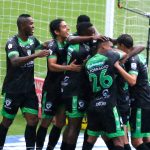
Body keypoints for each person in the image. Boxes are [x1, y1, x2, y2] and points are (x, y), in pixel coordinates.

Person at [0, 14, 50, 150]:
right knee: (7, 121)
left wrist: (57, 40)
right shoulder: (12, 42)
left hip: (29, 90)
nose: (33, 26)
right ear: (22, 26)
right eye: (31, 24)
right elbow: (15, 61)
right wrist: (35, 55)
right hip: (14, 89)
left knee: (33, 120)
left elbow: (43, 45)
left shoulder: (32, 40)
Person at [36, 18, 83, 150]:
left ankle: (50, 147)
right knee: (46, 121)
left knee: (60, 122)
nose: (67, 29)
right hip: (52, 89)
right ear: (56, 31)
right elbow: (51, 66)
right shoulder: (53, 46)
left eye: (67, 26)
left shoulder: (69, 43)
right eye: (64, 27)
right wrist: (69, 68)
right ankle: (38, 148)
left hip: (64, 89)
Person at [82, 39, 126, 150]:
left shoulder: (88, 62)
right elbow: (125, 53)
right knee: (119, 140)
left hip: (94, 105)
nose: (112, 48)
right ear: (103, 47)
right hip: (109, 105)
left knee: (90, 139)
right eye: (110, 46)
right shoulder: (110, 57)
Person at [60, 22, 97, 150]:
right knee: (74, 126)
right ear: (85, 33)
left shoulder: (83, 42)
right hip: (74, 89)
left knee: (72, 125)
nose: (94, 34)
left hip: (76, 89)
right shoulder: (77, 47)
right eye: (91, 32)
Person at [114, 34, 150, 150]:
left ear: (122, 46)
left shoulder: (132, 59)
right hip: (145, 99)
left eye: (118, 46)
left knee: (136, 142)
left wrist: (118, 67)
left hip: (140, 102)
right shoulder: (138, 55)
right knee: (146, 139)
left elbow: (132, 81)